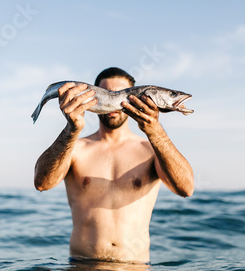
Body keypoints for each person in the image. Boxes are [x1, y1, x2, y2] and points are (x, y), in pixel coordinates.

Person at [34, 67, 194, 264]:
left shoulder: (152, 150)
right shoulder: (76, 148)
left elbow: (186, 188)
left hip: (135, 267)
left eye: (122, 93)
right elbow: (42, 183)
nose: (115, 100)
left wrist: (156, 132)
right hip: (82, 266)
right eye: (108, 93)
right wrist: (71, 129)